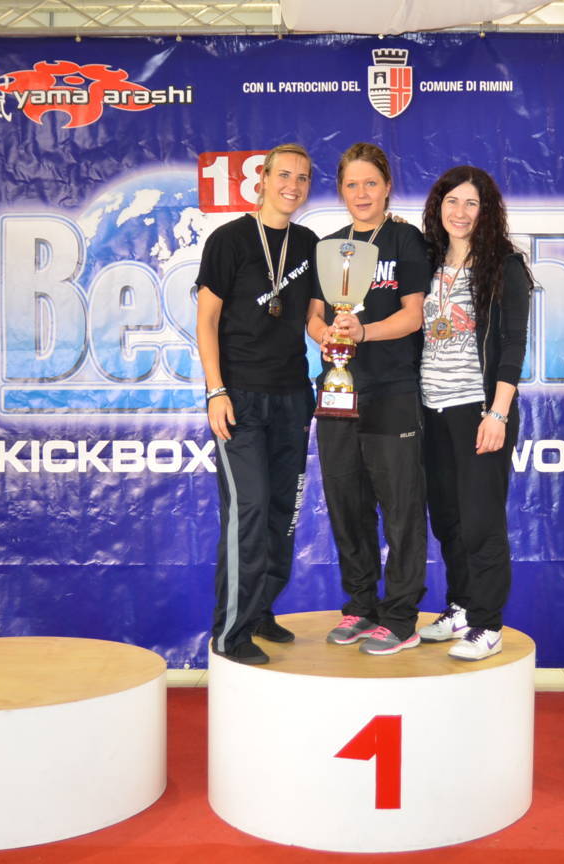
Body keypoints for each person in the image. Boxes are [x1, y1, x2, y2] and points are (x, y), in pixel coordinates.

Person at [195, 143, 319, 665]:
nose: (293, 185)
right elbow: (206, 321)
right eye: (284, 174)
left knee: (281, 513)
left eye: (303, 177)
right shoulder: (229, 240)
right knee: (248, 511)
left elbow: (314, 318)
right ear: (262, 180)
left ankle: (260, 610)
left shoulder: (309, 244)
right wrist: (215, 390)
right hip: (240, 398)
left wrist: (339, 335)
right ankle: (230, 632)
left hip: (293, 397)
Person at [307, 142, 429, 656]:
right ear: (340, 190)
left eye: (371, 183)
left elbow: (413, 316)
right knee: (347, 505)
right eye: (352, 184)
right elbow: (313, 317)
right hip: (338, 393)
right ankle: (360, 606)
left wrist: (363, 332)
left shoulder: (405, 239)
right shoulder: (329, 246)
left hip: (392, 392)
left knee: (400, 509)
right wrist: (326, 336)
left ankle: (400, 618)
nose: (362, 193)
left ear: (387, 187)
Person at [416, 166, 531, 661]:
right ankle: (461, 605)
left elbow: (513, 344)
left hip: (479, 410)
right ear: (438, 206)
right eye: (452, 202)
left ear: (486, 212)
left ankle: (487, 623)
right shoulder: (425, 261)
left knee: (481, 522)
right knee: (448, 520)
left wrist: (498, 414)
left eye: (471, 203)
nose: (460, 213)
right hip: (431, 410)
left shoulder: (504, 265)